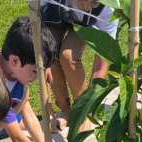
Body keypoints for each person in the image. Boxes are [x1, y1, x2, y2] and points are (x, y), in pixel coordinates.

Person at [40, 0, 118, 132]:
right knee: (50, 51)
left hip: (90, 24)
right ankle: (66, 110)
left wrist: (87, 109)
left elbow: (100, 65)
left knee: (68, 56)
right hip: (58, 12)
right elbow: (36, 15)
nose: (88, 7)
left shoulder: (108, 8)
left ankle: (81, 111)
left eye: (94, 2)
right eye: (83, 1)